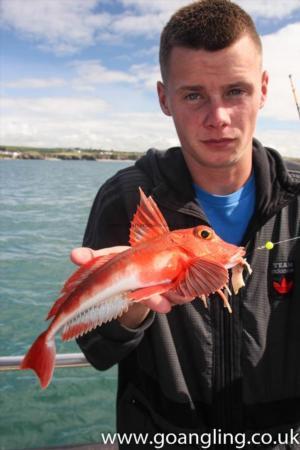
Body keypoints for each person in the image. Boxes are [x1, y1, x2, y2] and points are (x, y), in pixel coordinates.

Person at [72, 0, 300, 448]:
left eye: (236, 91)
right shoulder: (127, 199)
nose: (218, 119)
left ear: (263, 89)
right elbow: (97, 350)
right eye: (194, 95)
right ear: (164, 99)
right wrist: (133, 301)